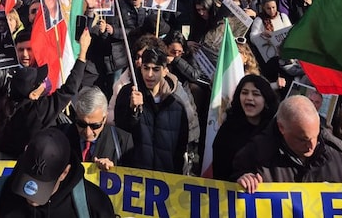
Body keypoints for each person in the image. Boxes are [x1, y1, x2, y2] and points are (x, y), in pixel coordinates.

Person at [233, 95, 342, 193]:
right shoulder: (256, 153)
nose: (311, 145)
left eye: (315, 136)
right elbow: (225, 192)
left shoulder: (340, 155)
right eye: (302, 139)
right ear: (281, 128)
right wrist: (241, 180)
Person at [0, 128, 115, 217]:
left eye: (43, 185)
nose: (32, 194)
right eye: (28, 180)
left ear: (64, 173)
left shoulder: (93, 205)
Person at [0, 28, 90, 159]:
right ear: (33, 94)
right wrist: (82, 54)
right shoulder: (38, 110)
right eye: (39, 83)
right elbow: (69, 89)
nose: (43, 86)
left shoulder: (5, 107)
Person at [114, 44, 199, 174]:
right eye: (146, 68)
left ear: (165, 71)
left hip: (165, 179)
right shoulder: (128, 94)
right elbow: (119, 133)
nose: (149, 74)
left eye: (156, 69)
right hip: (132, 176)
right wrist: (132, 111)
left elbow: (180, 148)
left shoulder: (176, 105)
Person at [211, 74, 279, 180]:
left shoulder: (275, 130)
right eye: (244, 93)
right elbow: (220, 171)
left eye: (256, 94)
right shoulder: (227, 130)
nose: (249, 98)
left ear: (266, 99)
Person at [57, 86, 134, 171]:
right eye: (81, 124)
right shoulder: (59, 136)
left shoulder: (122, 142)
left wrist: (115, 171)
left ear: (105, 118)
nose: (88, 132)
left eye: (95, 126)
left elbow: (131, 179)